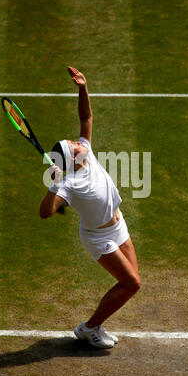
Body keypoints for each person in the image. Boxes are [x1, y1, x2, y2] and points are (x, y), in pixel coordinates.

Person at [40, 67, 140, 349]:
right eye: (72, 145)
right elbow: (45, 212)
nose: (77, 141)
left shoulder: (87, 149)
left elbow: (86, 117)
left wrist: (82, 87)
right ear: (71, 158)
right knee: (132, 284)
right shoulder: (67, 184)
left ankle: (94, 324)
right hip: (99, 237)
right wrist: (52, 186)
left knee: (130, 284)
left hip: (118, 225)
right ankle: (89, 327)